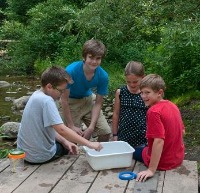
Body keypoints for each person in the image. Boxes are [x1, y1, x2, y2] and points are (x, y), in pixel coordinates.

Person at [17, 66, 102, 164]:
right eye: (61, 91)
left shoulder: (36, 95)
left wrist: (65, 141)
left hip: (24, 154)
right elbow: (61, 130)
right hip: (39, 157)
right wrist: (90, 144)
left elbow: (50, 128)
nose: (62, 94)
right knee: (70, 146)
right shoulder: (47, 101)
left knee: (67, 142)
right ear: (49, 87)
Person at [135, 74, 185, 182]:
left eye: (147, 92)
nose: (143, 96)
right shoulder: (173, 105)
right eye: (141, 92)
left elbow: (158, 141)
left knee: (133, 150)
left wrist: (151, 170)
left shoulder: (153, 111)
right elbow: (183, 131)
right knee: (145, 146)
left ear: (159, 93)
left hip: (163, 162)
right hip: (177, 158)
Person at [60, 39, 111, 142]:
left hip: (88, 99)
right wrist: (71, 126)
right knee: (72, 136)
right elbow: (63, 100)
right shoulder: (71, 71)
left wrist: (91, 127)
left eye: (98, 58)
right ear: (84, 57)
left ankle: (98, 154)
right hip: (70, 101)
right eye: (91, 57)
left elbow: (98, 103)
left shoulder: (103, 76)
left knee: (105, 132)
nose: (94, 62)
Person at [112, 61, 148, 148]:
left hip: (142, 138)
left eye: (135, 82)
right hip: (124, 136)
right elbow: (116, 114)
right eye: (128, 82)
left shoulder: (147, 93)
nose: (132, 85)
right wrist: (115, 134)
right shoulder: (120, 92)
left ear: (143, 77)